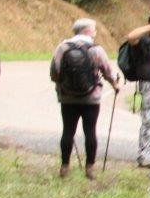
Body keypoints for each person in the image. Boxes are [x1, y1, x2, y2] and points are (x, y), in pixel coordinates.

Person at [50, 19, 121, 180]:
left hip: (67, 97)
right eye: (94, 30)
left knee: (68, 131)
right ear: (87, 31)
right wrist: (115, 85)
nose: (95, 33)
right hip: (91, 98)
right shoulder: (96, 50)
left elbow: (54, 71)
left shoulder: (63, 48)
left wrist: (60, 85)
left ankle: (65, 166)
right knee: (90, 132)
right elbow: (108, 71)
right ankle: (90, 168)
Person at [122, 11, 150, 168]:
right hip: (148, 83)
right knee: (148, 119)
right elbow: (131, 37)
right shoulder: (144, 39)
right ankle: (144, 154)